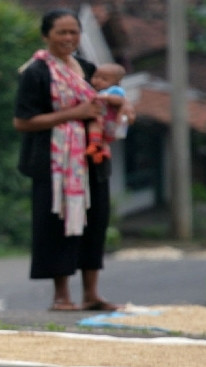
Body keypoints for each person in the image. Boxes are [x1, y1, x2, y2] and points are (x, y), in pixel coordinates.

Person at [13, 8, 133, 312]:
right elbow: (23, 121)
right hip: (54, 162)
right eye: (61, 32)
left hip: (92, 158)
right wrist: (73, 114)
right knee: (57, 223)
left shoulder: (88, 67)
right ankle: (61, 295)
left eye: (74, 32)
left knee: (95, 222)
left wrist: (123, 108)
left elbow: (106, 99)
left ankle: (92, 293)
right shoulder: (36, 72)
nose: (69, 38)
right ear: (46, 36)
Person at [85, 63, 128, 164]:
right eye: (96, 77)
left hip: (111, 122)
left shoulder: (113, 90)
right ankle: (101, 152)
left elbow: (119, 100)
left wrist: (105, 97)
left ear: (116, 83)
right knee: (101, 136)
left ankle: (95, 144)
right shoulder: (97, 91)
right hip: (102, 122)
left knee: (95, 126)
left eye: (104, 79)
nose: (98, 81)